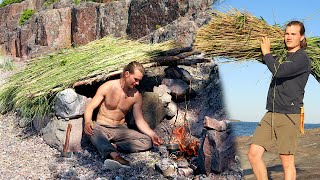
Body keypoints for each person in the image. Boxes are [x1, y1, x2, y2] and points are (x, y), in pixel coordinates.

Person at [248, 21, 311, 180]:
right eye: (287, 33)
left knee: (287, 161)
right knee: (253, 155)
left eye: (293, 34)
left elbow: (279, 71)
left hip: (289, 115)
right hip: (271, 113)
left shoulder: (302, 58)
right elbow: (268, 61)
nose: (288, 37)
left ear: (301, 37)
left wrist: (267, 53)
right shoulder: (282, 55)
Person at [84, 61, 163, 167]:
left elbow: (139, 120)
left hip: (121, 129)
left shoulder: (136, 96)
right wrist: (88, 121)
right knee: (91, 131)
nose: (137, 83)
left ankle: (115, 147)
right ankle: (114, 156)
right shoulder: (108, 87)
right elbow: (90, 107)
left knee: (147, 141)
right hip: (102, 127)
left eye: (139, 80)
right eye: (136, 79)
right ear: (126, 74)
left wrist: (153, 134)